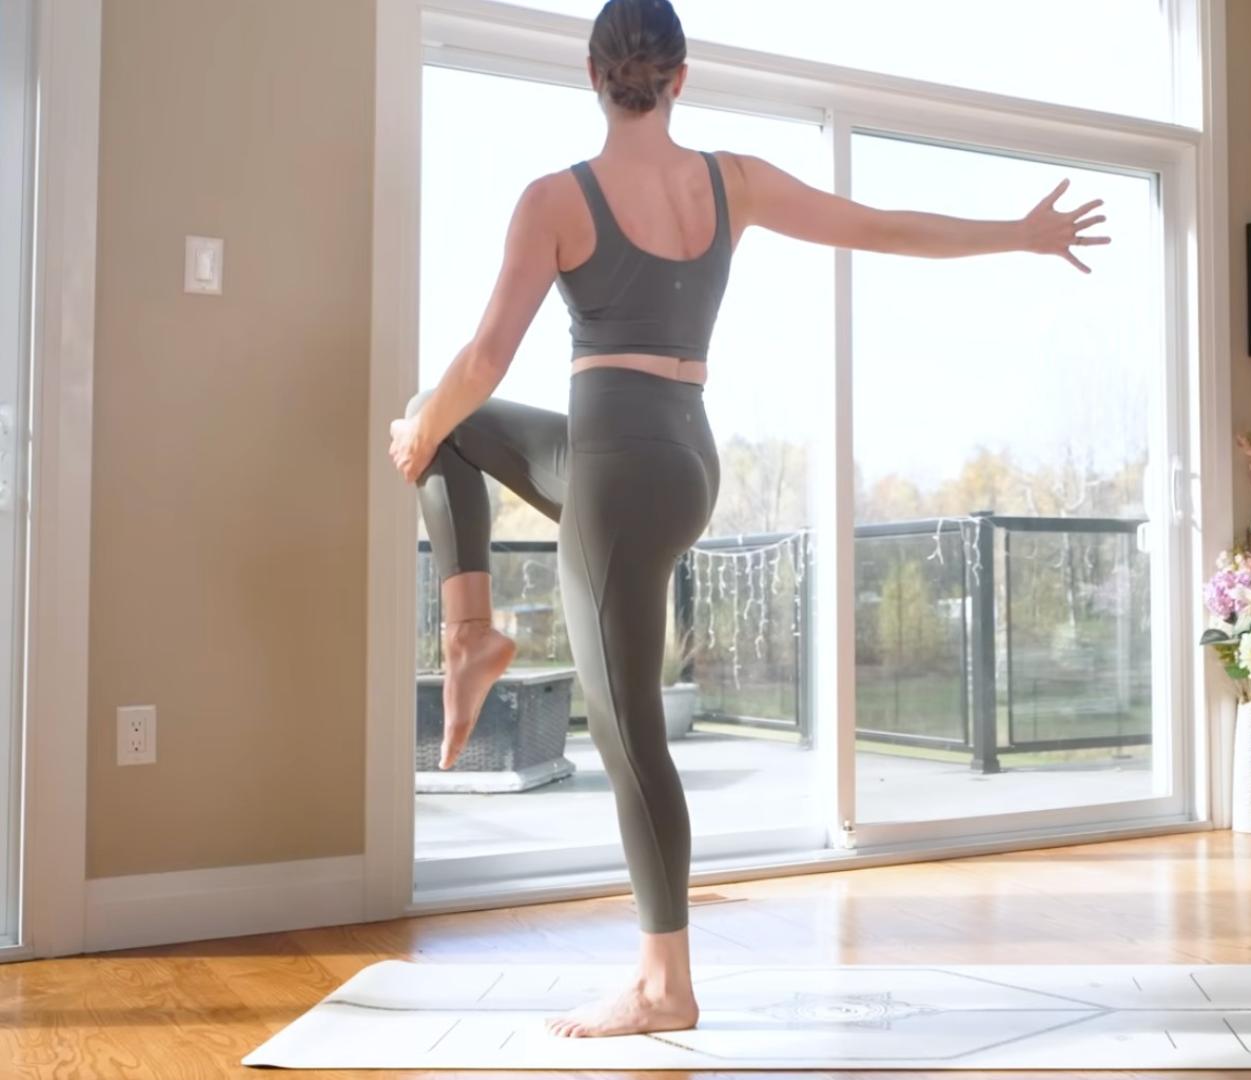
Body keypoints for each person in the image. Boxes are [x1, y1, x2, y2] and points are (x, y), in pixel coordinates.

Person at [386, 0, 1109, 1040]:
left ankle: (660, 984)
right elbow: (883, 229)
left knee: (631, 730)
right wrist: (1022, 236)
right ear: (680, 77)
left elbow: (486, 360)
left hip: (614, 466)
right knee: (454, 429)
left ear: (593, 75)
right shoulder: (733, 181)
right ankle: (471, 635)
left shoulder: (554, 199)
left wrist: (414, 437)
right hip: (687, 459)